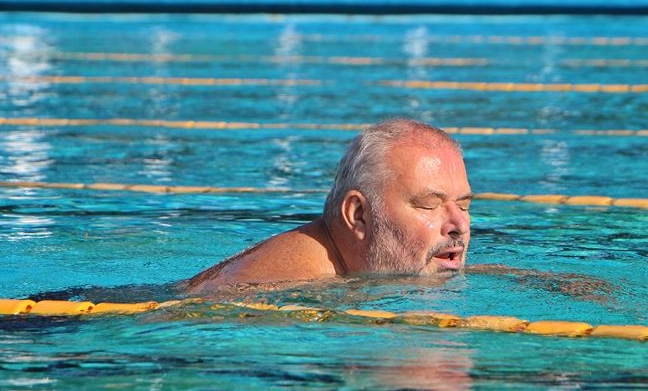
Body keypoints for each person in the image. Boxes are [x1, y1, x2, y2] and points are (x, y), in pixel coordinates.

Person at [187, 118, 472, 293]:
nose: (459, 225)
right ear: (358, 215)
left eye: (464, 206)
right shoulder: (273, 291)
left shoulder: (351, 267)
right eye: (429, 205)